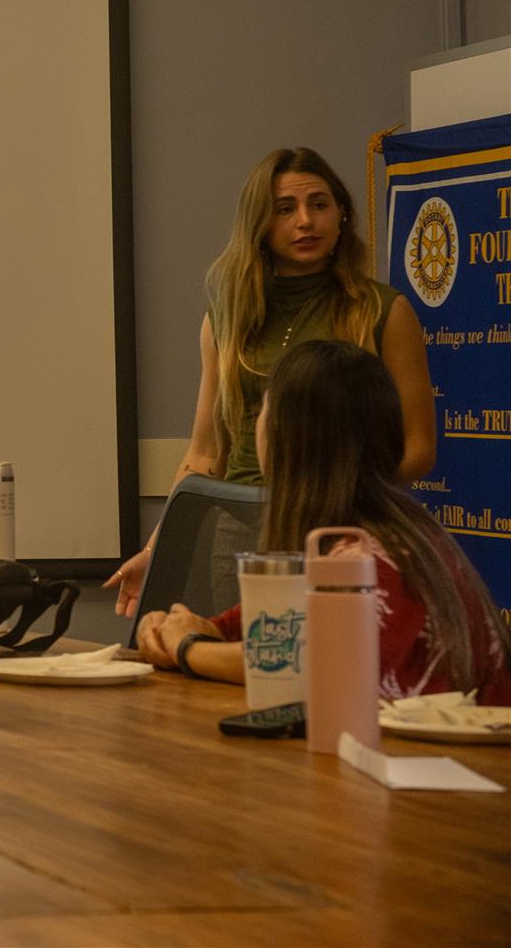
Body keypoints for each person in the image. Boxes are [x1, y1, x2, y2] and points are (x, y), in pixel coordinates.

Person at [108, 147, 435, 615]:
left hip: (344, 530)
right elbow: (205, 454)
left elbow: (419, 448)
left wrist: (335, 491)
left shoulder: (383, 311)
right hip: (239, 533)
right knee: (238, 657)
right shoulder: (227, 317)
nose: (305, 221)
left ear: (342, 214)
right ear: (260, 223)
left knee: (332, 656)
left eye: (319, 204)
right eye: (285, 209)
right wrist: (154, 550)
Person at [135, 339, 509, 704]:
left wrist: (188, 647)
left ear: (289, 436)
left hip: (443, 747)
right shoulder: (380, 533)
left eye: (264, 407)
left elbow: (308, 663)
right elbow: (254, 630)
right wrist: (173, 629)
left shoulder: (367, 557)